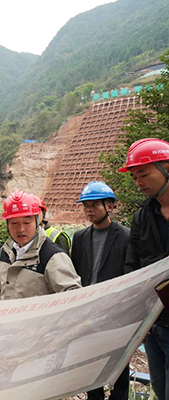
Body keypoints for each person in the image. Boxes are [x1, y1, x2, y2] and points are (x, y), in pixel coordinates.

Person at [72, 181, 130, 400]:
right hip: (89, 315)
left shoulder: (126, 237)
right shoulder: (79, 238)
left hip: (116, 315)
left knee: (119, 370)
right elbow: (76, 275)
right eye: (85, 205)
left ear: (110, 206)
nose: (89, 209)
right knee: (90, 371)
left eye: (95, 204)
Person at [121, 138, 169, 400]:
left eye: (143, 174)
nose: (138, 182)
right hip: (154, 321)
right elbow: (134, 266)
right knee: (161, 390)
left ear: (167, 168)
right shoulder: (144, 215)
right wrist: (140, 315)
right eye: (134, 177)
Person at [0, 191, 81, 300]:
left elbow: (73, 297)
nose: (21, 229)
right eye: (14, 223)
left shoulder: (52, 257)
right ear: (7, 225)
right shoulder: (6, 252)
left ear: (37, 222)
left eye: (27, 223)